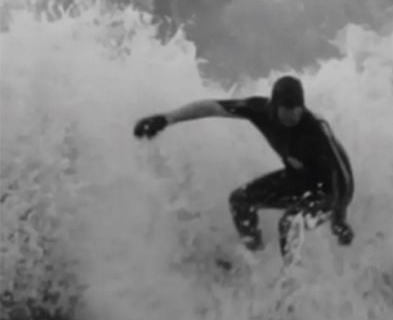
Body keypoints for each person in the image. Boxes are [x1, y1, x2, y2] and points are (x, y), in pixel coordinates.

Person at [133, 75, 354, 261]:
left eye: (298, 107)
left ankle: (290, 287)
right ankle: (256, 259)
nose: (294, 114)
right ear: (275, 106)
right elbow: (212, 107)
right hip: (298, 179)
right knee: (240, 200)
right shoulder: (259, 110)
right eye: (288, 108)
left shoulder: (316, 128)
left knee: (290, 222)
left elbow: (342, 175)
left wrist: (339, 218)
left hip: (331, 191)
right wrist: (167, 118)